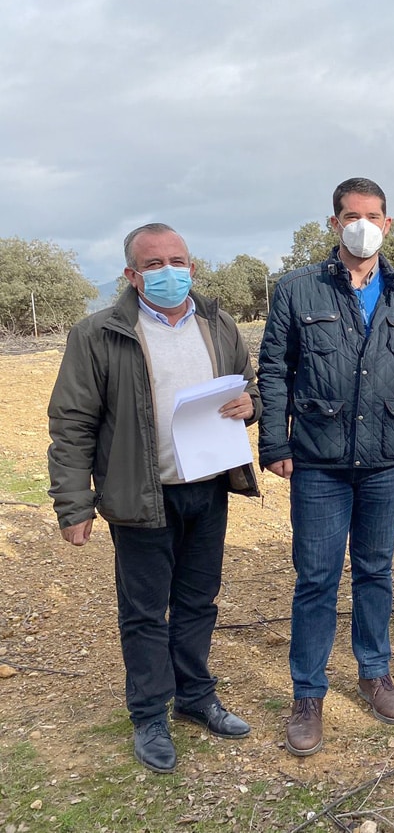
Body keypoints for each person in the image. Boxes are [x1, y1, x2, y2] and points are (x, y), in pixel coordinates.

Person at [47, 223, 259, 774]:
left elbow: (246, 385)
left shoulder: (217, 323)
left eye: (179, 260)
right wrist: (74, 505)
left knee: (198, 603)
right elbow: (71, 423)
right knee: (144, 614)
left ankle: (194, 696)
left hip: (208, 490)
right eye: (156, 264)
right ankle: (148, 715)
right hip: (142, 497)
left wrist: (250, 405)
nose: (170, 272)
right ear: (132, 275)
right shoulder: (99, 334)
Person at [257, 177, 394, 756]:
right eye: (351, 215)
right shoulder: (297, 289)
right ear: (334, 223)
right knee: (316, 578)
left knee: (376, 571)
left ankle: (374, 672)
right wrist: (275, 445)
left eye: (374, 215)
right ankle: (308, 693)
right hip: (319, 459)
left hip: (386, 458)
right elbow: (274, 369)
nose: (363, 224)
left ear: (388, 223)